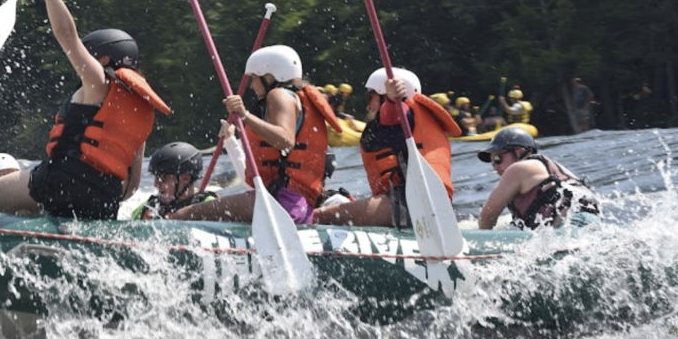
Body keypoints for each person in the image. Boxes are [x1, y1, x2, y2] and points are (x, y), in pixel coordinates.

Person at [0, 0, 171, 219]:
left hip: (62, 180)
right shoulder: (141, 110)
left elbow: (66, 34)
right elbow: (132, 184)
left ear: (102, 57)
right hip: (106, 197)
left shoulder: (98, 80)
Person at [169, 45, 341, 224]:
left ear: (269, 76)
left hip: (280, 203)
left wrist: (245, 115)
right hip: (297, 205)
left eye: (254, 78)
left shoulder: (278, 95)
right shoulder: (296, 97)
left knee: (183, 215)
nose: (251, 86)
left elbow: (285, 140)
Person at [314, 67, 461, 227]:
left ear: (384, 96)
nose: (368, 106)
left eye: (370, 97)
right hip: (417, 201)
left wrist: (392, 101)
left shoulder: (405, 115)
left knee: (316, 218)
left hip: (412, 203)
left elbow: (395, 115)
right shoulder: (408, 122)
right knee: (333, 201)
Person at [477, 127, 600, 230]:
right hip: (592, 224)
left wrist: (480, 243)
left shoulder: (517, 169)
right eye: (492, 162)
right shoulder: (552, 168)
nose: (495, 167)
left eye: (498, 159)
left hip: (570, 226)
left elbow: (487, 215)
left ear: (519, 152)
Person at [131, 142, 216, 220]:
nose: (156, 184)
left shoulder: (210, 206)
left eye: (162, 178)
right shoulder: (146, 208)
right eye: (155, 177)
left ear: (185, 178)